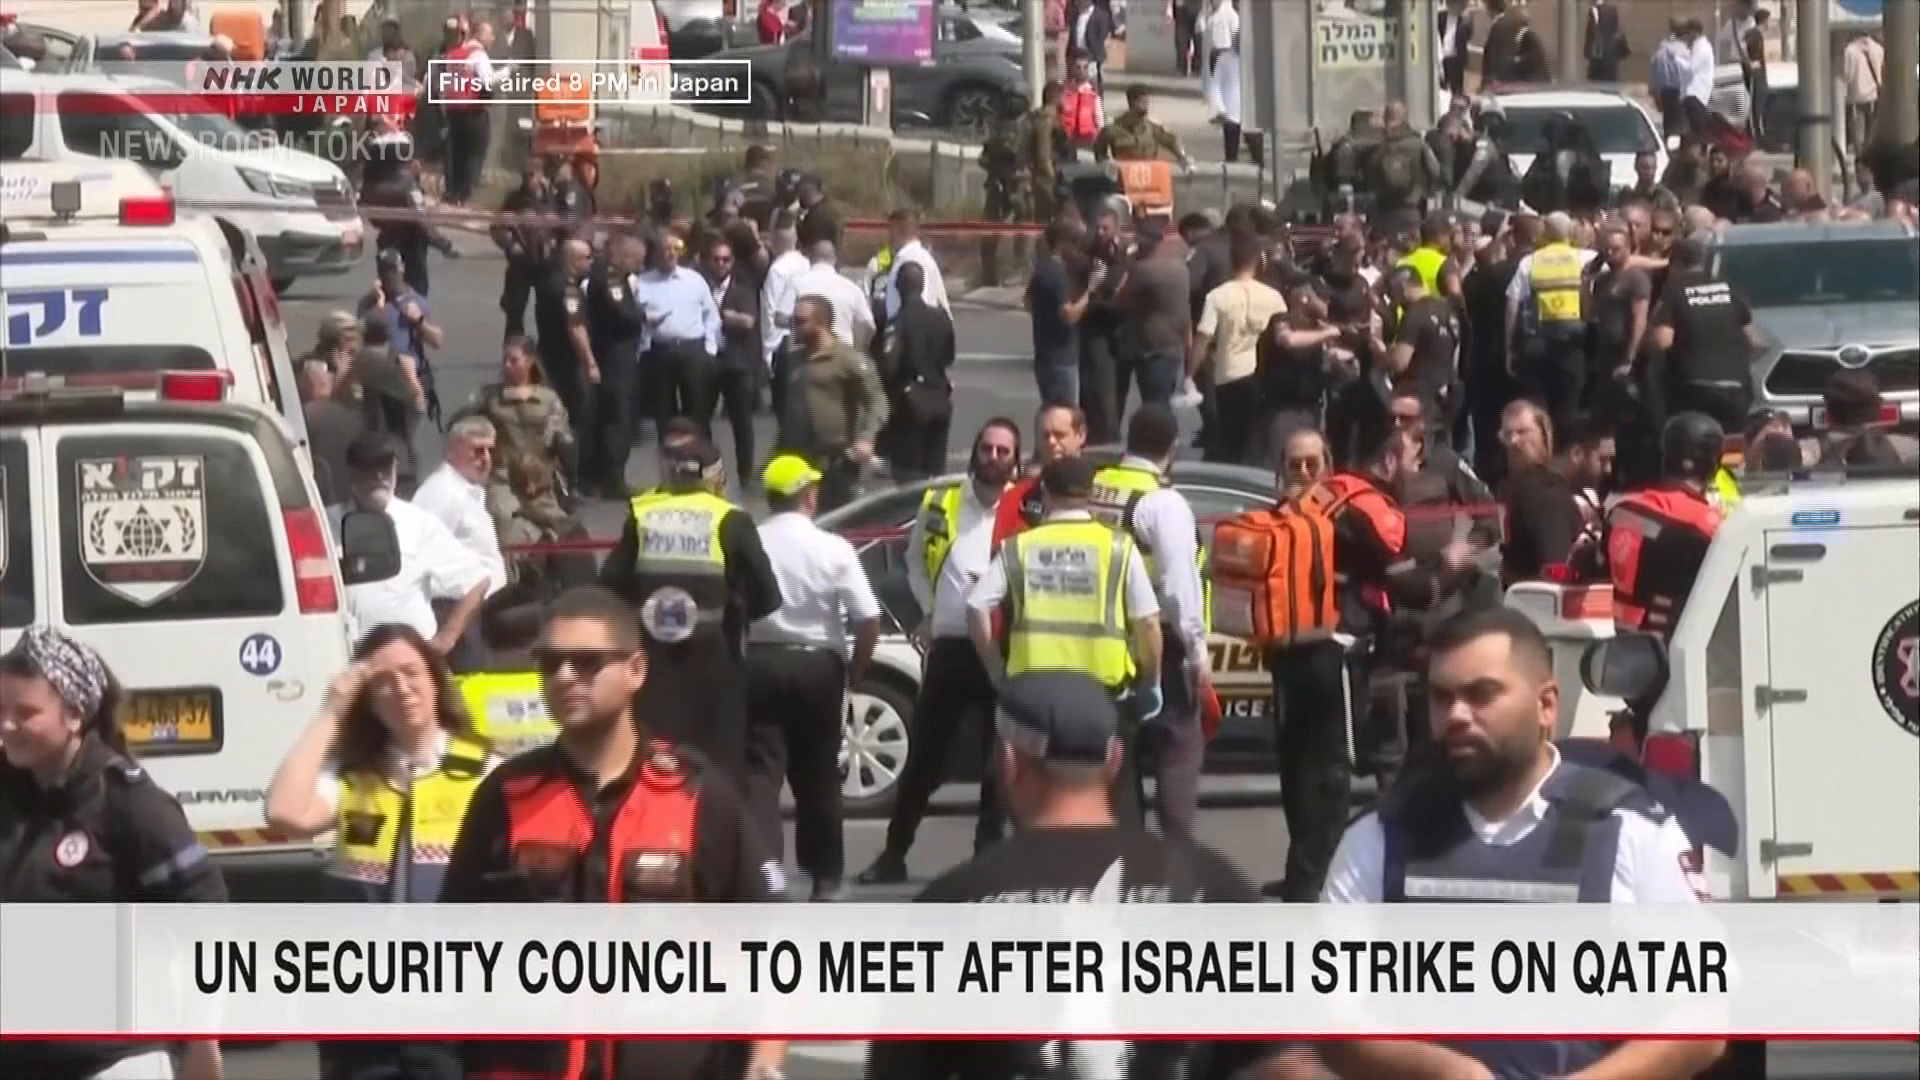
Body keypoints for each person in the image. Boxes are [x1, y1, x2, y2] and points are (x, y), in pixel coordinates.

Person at [1318, 606, 1724, 1078]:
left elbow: (1702, 1019)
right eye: (1442, 698)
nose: (1456, 715)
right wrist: (1441, 1071)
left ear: (1546, 705)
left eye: (1481, 695)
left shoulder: (1632, 832)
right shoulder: (1380, 838)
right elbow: (1330, 1017)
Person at [863, 672, 1299, 1080]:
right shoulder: (1215, 888)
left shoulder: (950, 908)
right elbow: (1286, 1066)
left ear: (1009, 760)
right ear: (1114, 760)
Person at [440, 587, 787, 1080]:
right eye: (550, 663)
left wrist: (766, 1060)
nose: (564, 676)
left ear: (635, 670)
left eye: (586, 662)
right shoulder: (505, 794)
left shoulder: (699, 795)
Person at [263, 624, 492, 1080]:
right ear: (367, 700)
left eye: (411, 673)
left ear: (435, 680)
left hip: (451, 1007)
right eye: (383, 682)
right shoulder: (352, 779)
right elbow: (283, 811)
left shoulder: (484, 771)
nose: (401, 689)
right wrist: (331, 711)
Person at [0, 628, 226, 1080]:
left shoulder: (127, 800)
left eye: (25, 713)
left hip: (113, 1060)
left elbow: (204, 913)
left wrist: (203, 1037)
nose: (6, 726)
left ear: (74, 715)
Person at [858, 421, 1023, 885]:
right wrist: (930, 610)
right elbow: (914, 562)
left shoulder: (1025, 508)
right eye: (986, 448)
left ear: (1016, 459)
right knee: (926, 756)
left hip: (1003, 646)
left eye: (1003, 450)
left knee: (999, 763)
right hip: (951, 645)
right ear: (975, 452)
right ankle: (893, 854)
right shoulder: (942, 502)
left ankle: (987, 859)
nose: (993, 457)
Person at [966, 456, 1164, 829]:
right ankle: (1119, 865)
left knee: (1036, 798)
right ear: (1092, 494)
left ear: (1044, 493)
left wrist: (996, 669)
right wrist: (1151, 682)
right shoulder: (1118, 548)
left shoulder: (1018, 547)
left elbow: (976, 607)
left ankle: (1044, 864)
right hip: (1102, 694)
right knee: (1116, 800)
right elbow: (1149, 624)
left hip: (1034, 693)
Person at [599, 437, 781, 783]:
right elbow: (769, 597)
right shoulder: (730, 519)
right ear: (715, 477)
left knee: (651, 763)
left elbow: (609, 585)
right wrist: (736, 611)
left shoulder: (642, 514)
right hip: (714, 661)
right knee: (716, 770)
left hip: (650, 663)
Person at [744, 456, 882, 901]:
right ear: (809, 496)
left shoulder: (749, 542)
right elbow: (868, 617)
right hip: (818, 666)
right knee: (819, 774)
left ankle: (764, 874)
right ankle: (825, 878)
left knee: (760, 775)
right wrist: (855, 671)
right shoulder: (832, 547)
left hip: (758, 663)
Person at [1088, 405, 1211, 836]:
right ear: (1172, 448)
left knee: (1118, 763)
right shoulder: (1162, 503)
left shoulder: (1098, 488)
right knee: (1178, 754)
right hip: (1159, 643)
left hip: (1102, 644)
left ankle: (1125, 858)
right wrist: (1197, 653)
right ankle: (1176, 861)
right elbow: (1178, 588)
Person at [334, 432, 491, 652]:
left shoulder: (419, 523)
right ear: (353, 472)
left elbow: (477, 580)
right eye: (370, 467)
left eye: (385, 467)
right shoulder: (324, 522)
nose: (379, 476)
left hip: (411, 655)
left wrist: (448, 637)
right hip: (348, 654)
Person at [1604, 412, 1726, 645]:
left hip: (1620, 646)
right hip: (1670, 652)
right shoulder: (1707, 526)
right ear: (1713, 463)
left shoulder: (1620, 511)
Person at [412, 415, 510, 665]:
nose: (485, 459)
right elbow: (417, 551)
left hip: (480, 609)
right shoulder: (441, 492)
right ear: (452, 450)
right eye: (477, 451)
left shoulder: (469, 491)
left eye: (490, 450)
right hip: (454, 612)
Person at [777, 295, 889, 513]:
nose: (794, 327)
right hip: (795, 458)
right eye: (793, 320)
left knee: (834, 519)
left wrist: (867, 438)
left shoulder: (848, 360)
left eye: (801, 321)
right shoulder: (792, 360)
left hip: (835, 462)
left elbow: (876, 401)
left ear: (821, 323)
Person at [1646, 237, 1760, 431]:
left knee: (1692, 438)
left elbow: (1662, 342)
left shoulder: (1674, 291)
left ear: (1677, 263)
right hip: (1737, 386)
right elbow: (1753, 339)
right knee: (1734, 440)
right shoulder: (1728, 288)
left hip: (1694, 387)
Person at [1193, 230, 1286, 465]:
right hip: (1263, 377)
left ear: (1231, 261)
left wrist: (1189, 372)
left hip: (1227, 375)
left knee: (1230, 440)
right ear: (1257, 261)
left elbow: (1204, 336)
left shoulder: (1217, 296)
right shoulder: (1274, 297)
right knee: (1255, 441)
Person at [1505, 211, 1596, 438]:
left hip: (1538, 343)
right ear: (1571, 232)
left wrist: (1510, 348)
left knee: (1538, 408)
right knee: (1569, 405)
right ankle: (1563, 450)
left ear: (1544, 233)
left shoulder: (1530, 262)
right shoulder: (1585, 258)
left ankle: (1539, 449)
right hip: (1572, 343)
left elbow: (1513, 306)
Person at [635, 228, 724, 446]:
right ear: (655, 253)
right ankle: (671, 458)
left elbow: (711, 316)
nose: (671, 253)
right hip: (659, 351)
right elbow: (633, 317)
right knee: (664, 414)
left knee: (698, 411)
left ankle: (702, 456)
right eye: (665, 249)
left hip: (692, 350)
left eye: (675, 248)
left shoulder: (694, 280)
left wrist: (710, 349)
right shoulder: (642, 283)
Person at [884, 261, 958, 482]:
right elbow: (949, 356)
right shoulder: (941, 318)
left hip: (910, 403)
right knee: (936, 472)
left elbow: (890, 365)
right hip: (940, 396)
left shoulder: (898, 323)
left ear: (898, 288)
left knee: (908, 474)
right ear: (923, 285)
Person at [993, 402, 1088, 547]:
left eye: (1059, 435)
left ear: (1081, 435)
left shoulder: (1106, 495)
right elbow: (1000, 552)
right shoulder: (1015, 499)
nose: (1051, 442)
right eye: (1045, 435)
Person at [533, 238, 599, 446]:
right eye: (588, 258)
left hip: (548, 355)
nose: (591, 262)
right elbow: (575, 327)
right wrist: (590, 362)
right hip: (568, 361)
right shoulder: (568, 290)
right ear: (574, 260)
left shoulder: (548, 282)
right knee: (579, 414)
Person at [1028, 220, 1091, 409]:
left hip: (1044, 355)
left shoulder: (1042, 270)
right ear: (1062, 243)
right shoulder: (1058, 274)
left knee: (1051, 409)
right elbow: (1069, 315)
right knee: (1066, 414)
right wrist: (1089, 295)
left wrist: (1045, 316)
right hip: (1062, 360)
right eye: (1075, 243)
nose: (1078, 250)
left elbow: (1027, 302)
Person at [493, 166, 551, 338]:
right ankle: (513, 347)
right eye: (527, 175)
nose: (530, 179)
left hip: (546, 262)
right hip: (521, 262)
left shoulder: (551, 199)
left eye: (534, 175)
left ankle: (545, 348)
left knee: (547, 311)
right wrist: (511, 245)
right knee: (515, 312)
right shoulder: (514, 199)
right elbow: (497, 227)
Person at [1092, 85, 1194, 169]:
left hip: (1152, 178)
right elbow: (1099, 151)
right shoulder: (1113, 129)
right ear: (1132, 103)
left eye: (1147, 102)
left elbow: (1172, 140)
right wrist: (1107, 164)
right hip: (1125, 179)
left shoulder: (1152, 128)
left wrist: (1183, 158)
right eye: (1142, 102)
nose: (1146, 106)